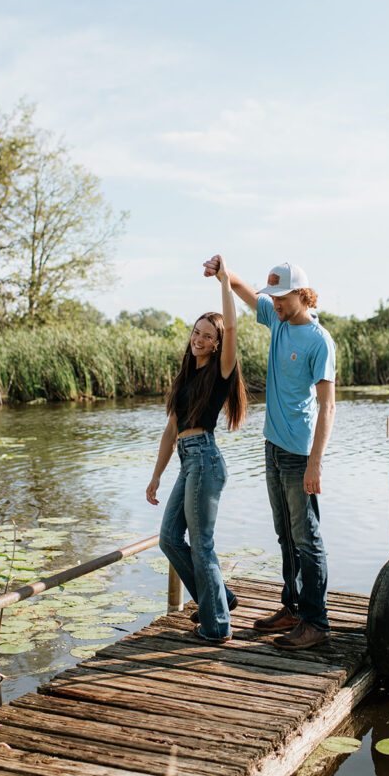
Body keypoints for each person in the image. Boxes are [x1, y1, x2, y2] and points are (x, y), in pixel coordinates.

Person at [203, 257, 336, 650]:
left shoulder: (319, 340)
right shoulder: (276, 320)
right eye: (272, 295)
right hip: (273, 447)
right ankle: (292, 608)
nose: (274, 302)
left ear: (301, 294)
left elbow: (328, 407)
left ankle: (317, 622)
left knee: (306, 538)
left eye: (281, 296)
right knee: (285, 535)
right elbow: (243, 289)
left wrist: (316, 462)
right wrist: (224, 273)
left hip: (299, 454)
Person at [146, 256, 247, 643]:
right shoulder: (186, 378)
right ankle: (219, 596)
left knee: (201, 545)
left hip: (205, 459)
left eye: (208, 335)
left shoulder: (220, 371)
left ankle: (217, 626)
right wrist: (155, 475)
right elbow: (170, 432)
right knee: (169, 538)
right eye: (196, 332)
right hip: (189, 463)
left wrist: (224, 281)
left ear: (218, 342)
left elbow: (234, 324)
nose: (199, 338)